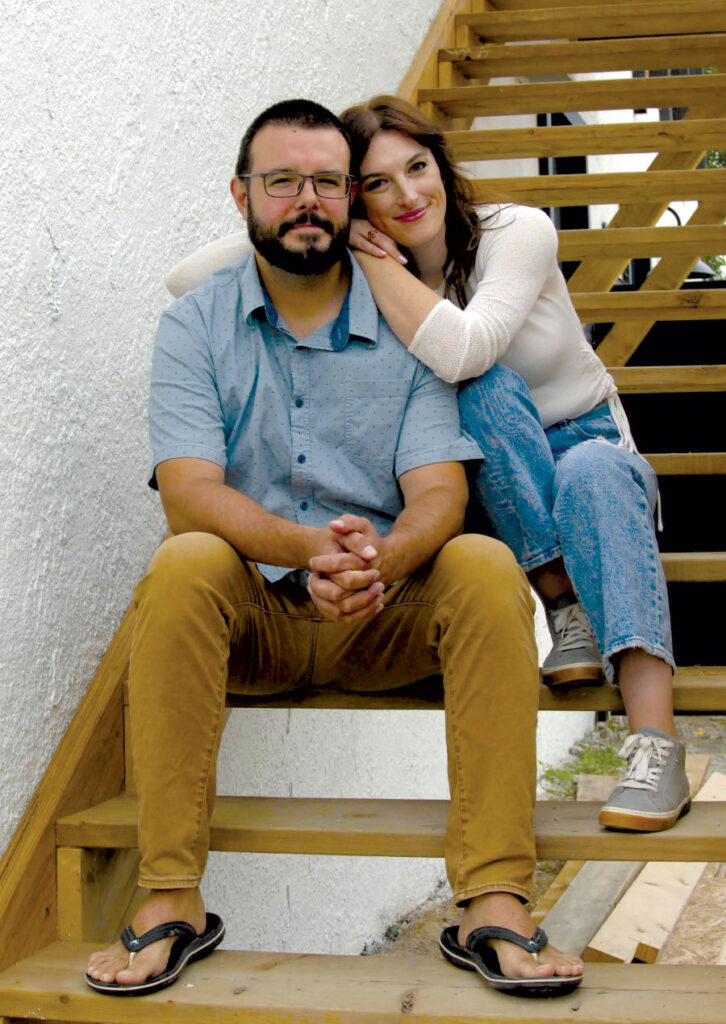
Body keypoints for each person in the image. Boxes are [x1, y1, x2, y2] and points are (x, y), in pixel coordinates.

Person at [84, 98, 584, 999]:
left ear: (353, 202)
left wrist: (382, 561)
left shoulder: (405, 318)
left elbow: (441, 490)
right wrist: (306, 547)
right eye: (282, 182)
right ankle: (171, 899)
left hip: (384, 613)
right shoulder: (196, 325)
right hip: (253, 617)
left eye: (326, 182)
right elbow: (189, 492)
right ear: (242, 196)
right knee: (184, 560)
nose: (305, 200)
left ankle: (494, 900)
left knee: (481, 561)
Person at [336, 95, 690, 836]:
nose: (407, 196)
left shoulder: (517, 231)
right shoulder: (375, 268)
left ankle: (656, 745)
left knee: (565, 446)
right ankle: (563, 605)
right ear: (355, 198)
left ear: (441, 164)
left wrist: (369, 259)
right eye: (376, 184)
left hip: (590, 448)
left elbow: (467, 345)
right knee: (485, 397)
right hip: (501, 481)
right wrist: (324, 216)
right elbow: (195, 274)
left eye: (417, 168)